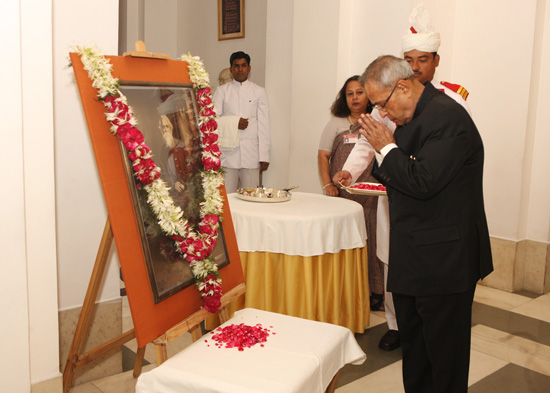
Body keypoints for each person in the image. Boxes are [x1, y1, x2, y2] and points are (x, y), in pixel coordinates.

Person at [336, 3, 473, 353]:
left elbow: (445, 162)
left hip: (431, 204)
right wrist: (349, 171)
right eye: (409, 59)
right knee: (392, 259)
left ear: (436, 61)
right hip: (393, 195)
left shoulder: (451, 101)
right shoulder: (386, 102)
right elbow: (370, 141)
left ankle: (422, 323)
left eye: (422, 59)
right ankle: (397, 324)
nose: (415, 66)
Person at [353, 54, 493, 393]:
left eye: (381, 105)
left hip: (445, 260)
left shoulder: (448, 118)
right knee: (416, 353)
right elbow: (396, 175)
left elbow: (423, 181)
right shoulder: (411, 117)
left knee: (444, 359)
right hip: (414, 255)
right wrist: (387, 151)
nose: (382, 114)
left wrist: (386, 147)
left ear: (402, 87)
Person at [317, 76, 385, 308]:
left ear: (369, 96)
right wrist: (328, 185)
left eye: (359, 92)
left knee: (373, 242)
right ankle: (346, 288)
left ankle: (375, 290)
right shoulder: (336, 122)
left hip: (371, 196)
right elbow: (323, 156)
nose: (354, 98)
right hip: (342, 194)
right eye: (349, 94)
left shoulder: (378, 121)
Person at [213, 51, 271, 193]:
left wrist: (264, 155)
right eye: (236, 66)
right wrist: (234, 122)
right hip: (227, 153)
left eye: (244, 65)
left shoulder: (259, 91)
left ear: (249, 68)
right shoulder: (221, 91)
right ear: (231, 69)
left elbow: (264, 124)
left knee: (251, 196)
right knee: (227, 197)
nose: (240, 69)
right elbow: (212, 121)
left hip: (251, 153)